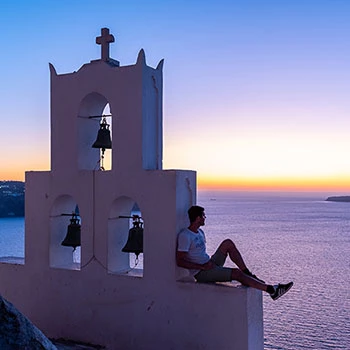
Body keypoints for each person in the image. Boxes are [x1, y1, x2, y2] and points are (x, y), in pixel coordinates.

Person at [176, 205, 293, 301]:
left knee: (227, 243)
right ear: (197, 218)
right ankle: (272, 290)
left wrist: (208, 263)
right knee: (236, 273)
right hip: (201, 272)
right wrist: (202, 266)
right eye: (203, 216)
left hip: (209, 264)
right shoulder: (185, 236)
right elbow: (180, 260)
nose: (205, 218)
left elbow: (199, 253)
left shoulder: (200, 232)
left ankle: (248, 273)